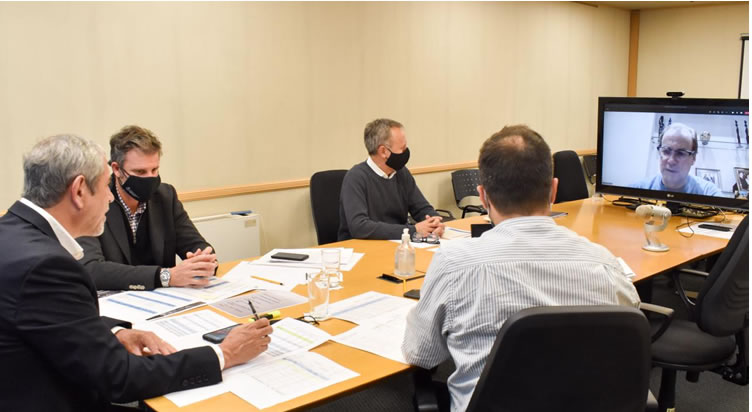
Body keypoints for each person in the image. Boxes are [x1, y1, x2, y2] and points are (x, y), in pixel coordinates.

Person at [0, 134, 272, 411]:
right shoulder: (48, 266)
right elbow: (119, 378)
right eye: (105, 187)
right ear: (79, 190)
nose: (109, 197)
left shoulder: (11, 233)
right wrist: (223, 353)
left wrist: (116, 331)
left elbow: (52, 318)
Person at [401, 125, 640, 412]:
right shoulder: (603, 263)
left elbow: (421, 354)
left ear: (483, 196)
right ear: (553, 190)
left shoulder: (454, 264)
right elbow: (630, 330)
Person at [78, 125, 217, 291]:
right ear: (116, 169)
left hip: (166, 303)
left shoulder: (166, 196)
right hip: (115, 305)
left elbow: (197, 245)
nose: (150, 179)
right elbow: (92, 269)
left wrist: (202, 261)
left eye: (154, 170)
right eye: (140, 172)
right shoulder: (94, 200)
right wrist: (166, 276)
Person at [338, 118, 445, 240]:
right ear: (383, 151)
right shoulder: (356, 178)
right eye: (402, 149)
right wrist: (412, 230)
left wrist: (434, 221)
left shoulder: (401, 173)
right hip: (362, 248)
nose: (406, 152)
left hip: (398, 243)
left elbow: (422, 208)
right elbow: (360, 227)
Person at [633, 123, 721, 196]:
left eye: (681, 153)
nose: (671, 161)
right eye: (666, 151)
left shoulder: (709, 193)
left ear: (693, 158)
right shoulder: (636, 191)